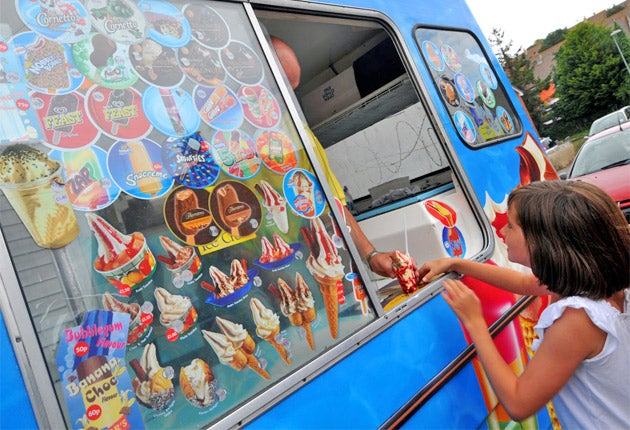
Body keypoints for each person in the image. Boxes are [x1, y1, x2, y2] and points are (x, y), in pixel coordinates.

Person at [418, 180, 630, 427]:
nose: (501, 232)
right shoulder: (595, 283)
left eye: (510, 226)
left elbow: (519, 403)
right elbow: (523, 282)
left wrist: (475, 323)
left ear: (542, 241)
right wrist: (456, 264)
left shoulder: (578, 319)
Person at [271, 36, 403, 278]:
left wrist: (371, 256)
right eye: (276, 86)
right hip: (268, 265)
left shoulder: (301, 135)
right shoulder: (225, 139)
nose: (282, 99)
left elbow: (334, 202)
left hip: (319, 258)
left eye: (288, 90)